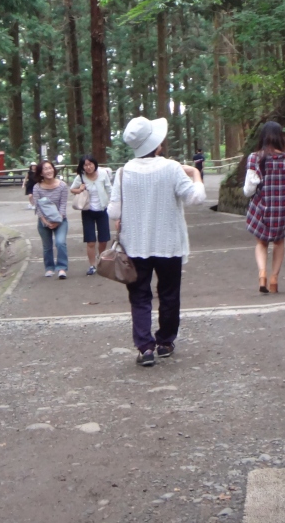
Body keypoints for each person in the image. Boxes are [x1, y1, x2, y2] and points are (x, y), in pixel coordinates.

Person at [108, 117, 206, 367]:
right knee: (169, 294)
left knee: (139, 295)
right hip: (168, 243)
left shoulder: (123, 172)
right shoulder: (172, 168)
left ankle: (145, 347)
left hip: (135, 244)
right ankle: (165, 341)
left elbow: (113, 212)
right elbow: (195, 198)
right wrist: (195, 174)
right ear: (156, 144)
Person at [243, 121, 285, 293]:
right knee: (279, 242)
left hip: (262, 208)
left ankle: (262, 274)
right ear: (280, 137)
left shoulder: (255, 158)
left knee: (261, 243)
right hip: (282, 209)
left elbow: (248, 190)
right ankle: (274, 280)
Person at [71, 155, 112, 276]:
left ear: (95, 164)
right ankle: (92, 265)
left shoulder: (103, 174)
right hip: (87, 211)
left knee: (103, 239)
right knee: (90, 241)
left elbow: (109, 189)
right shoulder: (81, 177)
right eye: (85, 165)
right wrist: (79, 189)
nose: (88, 167)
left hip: (102, 210)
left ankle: (100, 259)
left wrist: (112, 203)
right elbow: (72, 189)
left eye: (90, 164)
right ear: (82, 167)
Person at [32, 159, 69, 279]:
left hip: (60, 220)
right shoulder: (37, 187)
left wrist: (58, 221)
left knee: (60, 242)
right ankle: (49, 268)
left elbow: (63, 205)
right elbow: (37, 207)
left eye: (50, 168)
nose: (49, 171)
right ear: (41, 173)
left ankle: (62, 268)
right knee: (47, 246)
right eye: (45, 169)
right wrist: (45, 222)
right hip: (44, 221)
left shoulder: (62, 186)